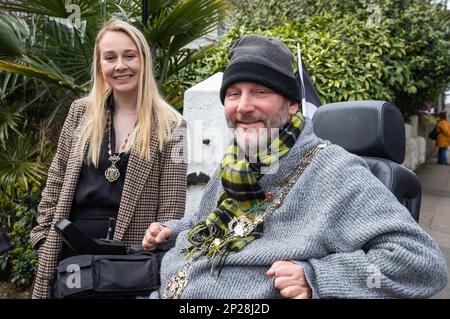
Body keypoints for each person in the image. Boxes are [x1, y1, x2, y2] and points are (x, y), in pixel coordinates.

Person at [144, 35, 448, 299]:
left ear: (291, 104)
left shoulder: (335, 172)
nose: (243, 106)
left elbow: (422, 264)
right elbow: (209, 219)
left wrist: (315, 277)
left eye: (261, 92)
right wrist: (173, 230)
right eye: (234, 94)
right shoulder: (236, 164)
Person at [30, 19, 187, 299]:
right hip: (69, 255)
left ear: (144, 60)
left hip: (128, 263)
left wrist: (157, 244)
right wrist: (43, 237)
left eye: (129, 55)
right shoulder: (81, 113)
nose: (120, 66)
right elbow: (55, 181)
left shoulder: (172, 125)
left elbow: (171, 209)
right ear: (100, 65)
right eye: (110, 57)